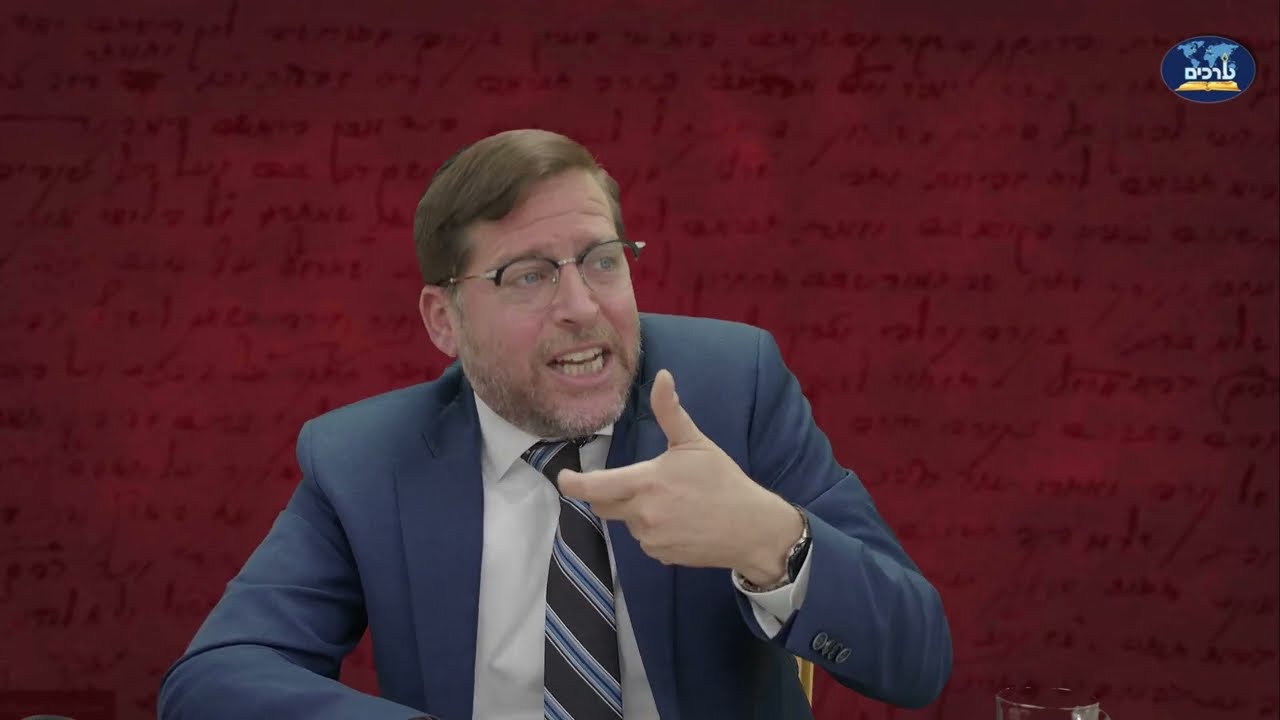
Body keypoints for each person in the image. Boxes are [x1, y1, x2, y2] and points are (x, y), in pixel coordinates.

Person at [157, 129, 952, 719]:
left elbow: (917, 661)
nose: (582, 307)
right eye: (528, 276)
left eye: (603, 260)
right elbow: (214, 679)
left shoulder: (731, 389)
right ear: (443, 319)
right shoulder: (366, 460)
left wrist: (770, 539)